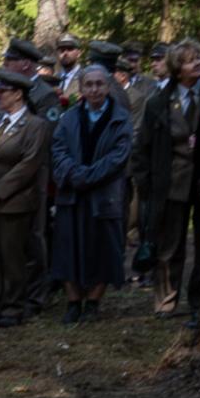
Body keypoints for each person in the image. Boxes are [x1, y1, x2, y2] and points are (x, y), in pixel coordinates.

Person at [132, 38, 200, 319]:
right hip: (170, 185)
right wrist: (146, 186)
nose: (199, 63)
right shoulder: (158, 103)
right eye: (191, 60)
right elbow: (142, 148)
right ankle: (166, 301)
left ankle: (199, 302)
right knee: (169, 246)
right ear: (177, 68)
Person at [0, 67, 53, 328]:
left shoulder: (34, 126)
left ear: (18, 94)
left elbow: (28, 165)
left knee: (12, 255)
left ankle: (14, 306)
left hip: (14, 202)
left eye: (2, 91)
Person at [50, 67, 134, 323]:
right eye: (89, 84)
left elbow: (118, 157)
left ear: (108, 87)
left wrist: (88, 176)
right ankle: (73, 302)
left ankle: (93, 302)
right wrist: (75, 174)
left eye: (99, 84)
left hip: (104, 194)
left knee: (104, 249)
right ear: (82, 88)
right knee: (67, 247)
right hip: (72, 194)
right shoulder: (68, 117)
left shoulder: (121, 118)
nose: (94, 89)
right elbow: (58, 149)